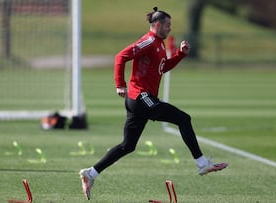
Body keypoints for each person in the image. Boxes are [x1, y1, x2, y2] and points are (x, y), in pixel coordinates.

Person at [79, 7, 228, 200]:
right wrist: (120, 85)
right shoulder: (149, 41)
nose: (170, 29)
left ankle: (90, 173)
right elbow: (120, 56)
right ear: (157, 24)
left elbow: (162, 67)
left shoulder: (158, 44)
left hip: (138, 100)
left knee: (128, 146)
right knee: (183, 119)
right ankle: (201, 163)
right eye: (167, 25)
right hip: (140, 97)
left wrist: (180, 55)